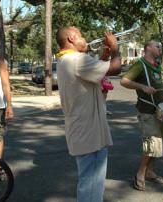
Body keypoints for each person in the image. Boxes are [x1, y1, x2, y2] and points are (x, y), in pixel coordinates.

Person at [56, 27, 121, 202]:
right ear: (71, 38)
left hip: (82, 131)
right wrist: (115, 48)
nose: (85, 39)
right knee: (91, 188)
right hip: (90, 134)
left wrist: (104, 57)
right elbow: (115, 69)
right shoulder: (77, 59)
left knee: (88, 183)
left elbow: (93, 74)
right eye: (82, 35)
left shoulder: (66, 60)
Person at [120, 40, 163, 191]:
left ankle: (150, 171)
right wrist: (142, 87)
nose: (160, 48)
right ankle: (140, 174)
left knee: (158, 145)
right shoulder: (140, 64)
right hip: (147, 111)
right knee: (152, 144)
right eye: (157, 46)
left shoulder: (155, 65)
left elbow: (156, 87)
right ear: (148, 48)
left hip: (160, 110)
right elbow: (124, 81)